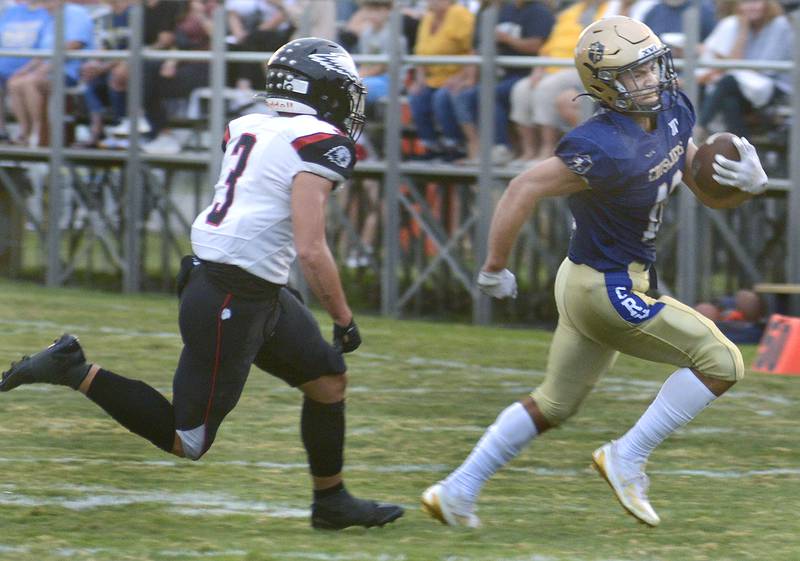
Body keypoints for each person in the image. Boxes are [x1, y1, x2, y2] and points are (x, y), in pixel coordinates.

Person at [1, 37, 404, 531]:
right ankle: (74, 368)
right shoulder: (320, 142)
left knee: (327, 380)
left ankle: (331, 501)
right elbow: (311, 248)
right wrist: (344, 318)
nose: (350, 101)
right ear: (319, 88)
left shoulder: (248, 124)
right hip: (229, 295)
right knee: (187, 440)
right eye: (343, 89)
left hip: (247, 287)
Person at [421, 17, 769, 528]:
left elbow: (696, 181)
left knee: (553, 404)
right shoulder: (600, 144)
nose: (651, 78)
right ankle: (628, 456)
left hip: (592, 279)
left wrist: (745, 183)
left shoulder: (672, 111)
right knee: (723, 362)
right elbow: (522, 188)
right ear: (604, 84)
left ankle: (457, 491)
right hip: (606, 286)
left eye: (653, 65)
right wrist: (495, 265)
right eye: (635, 73)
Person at [696, 0, 793, 140]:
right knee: (729, 102)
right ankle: (744, 151)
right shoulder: (747, 26)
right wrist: (743, 31)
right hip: (750, 85)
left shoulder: (779, 24)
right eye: (745, 3)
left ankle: (700, 126)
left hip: (776, 86)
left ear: (767, 4)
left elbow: (765, 68)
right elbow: (737, 62)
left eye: (755, 2)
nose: (750, 7)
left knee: (728, 81)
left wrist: (733, 67)